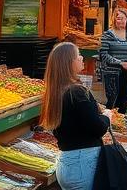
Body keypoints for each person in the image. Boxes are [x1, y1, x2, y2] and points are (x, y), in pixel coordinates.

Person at [41, 42, 112, 190]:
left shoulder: (55, 91)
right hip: (83, 164)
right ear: (69, 62)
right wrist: (107, 116)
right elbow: (98, 128)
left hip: (67, 162)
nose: (81, 58)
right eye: (78, 55)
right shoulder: (76, 92)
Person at [97, 7, 127, 113]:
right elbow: (103, 54)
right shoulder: (108, 35)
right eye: (119, 18)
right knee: (113, 99)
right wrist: (121, 63)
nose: (121, 21)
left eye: (124, 18)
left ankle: (121, 120)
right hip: (112, 72)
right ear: (114, 19)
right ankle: (109, 120)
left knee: (123, 99)